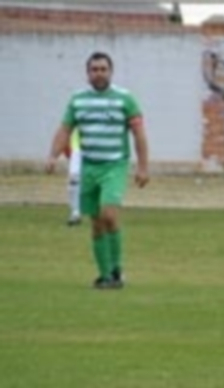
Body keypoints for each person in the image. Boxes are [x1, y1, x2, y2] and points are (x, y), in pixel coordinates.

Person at [46, 51, 150, 290]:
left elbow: (139, 134)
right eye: (95, 69)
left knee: (109, 215)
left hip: (114, 165)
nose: (99, 73)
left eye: (103, 69)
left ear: (110, 72)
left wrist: (143, 167)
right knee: (95, 222)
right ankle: (104, 276)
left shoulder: (126, 99)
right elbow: (64, 129)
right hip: (89, 166)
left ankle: (116, 268)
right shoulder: (77, 100)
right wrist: (53, 155)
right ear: (88, 73)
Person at [65, 130, 82, 226]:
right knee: (73, 179)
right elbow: (66, 128)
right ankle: (75, 213)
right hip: (77, 149)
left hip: (95, 150)